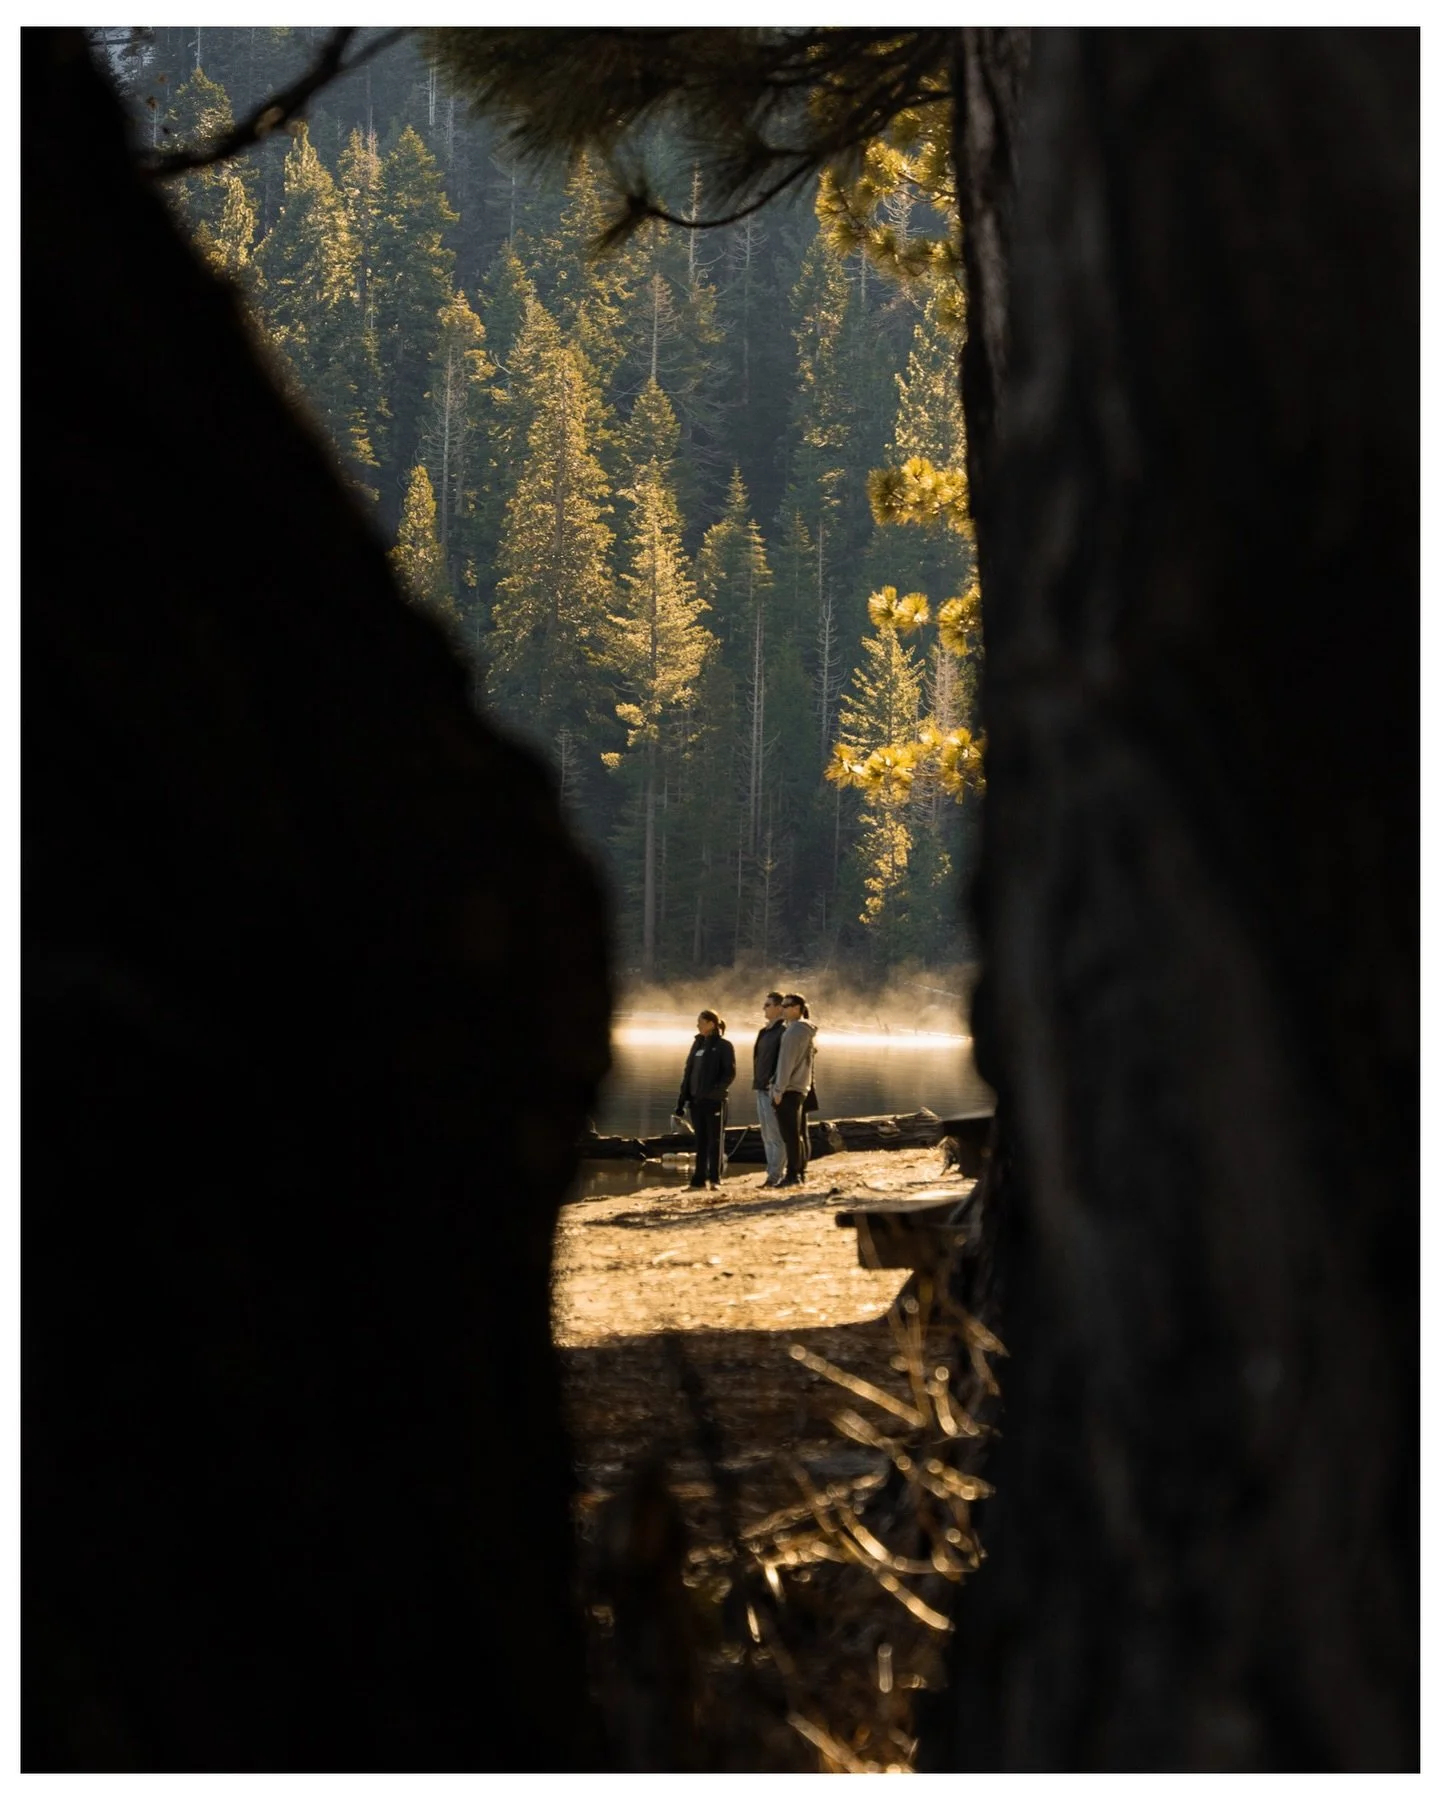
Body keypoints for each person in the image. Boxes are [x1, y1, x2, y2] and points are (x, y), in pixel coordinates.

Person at [675, 1010, 736, 1191]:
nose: (698, 1025)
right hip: (696, 1101)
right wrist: (682, 1100)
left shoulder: (724, 1046)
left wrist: (715, 1093)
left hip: (713, 1101)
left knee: (714, 1140)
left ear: (712, 1023)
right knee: (700, 1140)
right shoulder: (697, 1044)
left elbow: (730, 1073)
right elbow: (689, 1073)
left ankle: (715, 1179)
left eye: (701, 1022)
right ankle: (698, 1180)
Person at [770, 992, 818, 1188]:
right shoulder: (806, 1031)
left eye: (787, 1005)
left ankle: (792, 1175)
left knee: (789, 1135)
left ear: (798, 1009)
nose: (783, 1008)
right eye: (782, 1005)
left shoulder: (792, 1032)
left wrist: (778, 1090)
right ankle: (798, 1172)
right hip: (801, 1088)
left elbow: (785, 1064)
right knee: (797, 1134)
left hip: (789, 1089)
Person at [751, 990, 788, 1188]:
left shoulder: (783, 1031)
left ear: (779, 1008)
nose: (763, 1008)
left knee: (775, 1134)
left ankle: (776, 1175)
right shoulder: (765, 1031)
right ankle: (770, 1174)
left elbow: (783, 1061)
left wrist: (776, 1085)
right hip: (760, 1087)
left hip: (772, 1089)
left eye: (767, 1005)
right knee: (766, 1134)